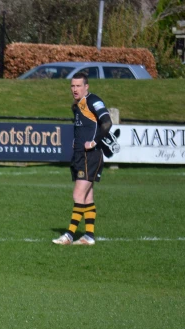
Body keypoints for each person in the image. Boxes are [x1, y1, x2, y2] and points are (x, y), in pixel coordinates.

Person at [53, 72, 112, 246]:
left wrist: (94, 142)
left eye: (78, 86)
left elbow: (107, 123)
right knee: (87, 197)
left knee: (78, 193)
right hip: (80, 154)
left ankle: (69, 235)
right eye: (72, 86)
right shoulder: (77, 105)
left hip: (90, 155)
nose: (75, 89)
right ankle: (89, 236)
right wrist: (76, 141)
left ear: (86, 87)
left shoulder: (93, 101)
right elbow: (85, 127)